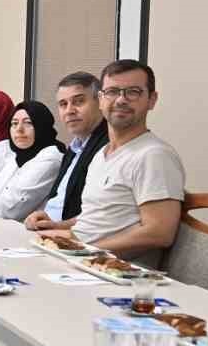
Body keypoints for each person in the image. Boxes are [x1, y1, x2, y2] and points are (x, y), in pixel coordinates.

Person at [31, 59, 185, 266]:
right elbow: (97, 218)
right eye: (112, 92)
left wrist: (85, 251)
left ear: (152, 100)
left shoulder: (154, 155)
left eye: (133, 92)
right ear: (101, 100)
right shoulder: (101, 154)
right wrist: (56, 226)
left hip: (109, 270)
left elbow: (159, 233)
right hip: (76, 257)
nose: (121, 100)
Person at [26, 72, 109, 230]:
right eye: (63, 104)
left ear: (100, 102)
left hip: (74, 237)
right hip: (50, 232)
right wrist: (42, 217)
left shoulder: (108, 146)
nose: (69, 110)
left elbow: (100, 216)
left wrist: (56, 227)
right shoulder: (74, 148)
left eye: (79, 101)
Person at [0, 101, 66, 221]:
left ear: (41, 126)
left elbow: (12, 208)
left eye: (28, 123)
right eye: (14, 123)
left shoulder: (51, 158)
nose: (19, 129)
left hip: (26, 230)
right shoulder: (18, 156)